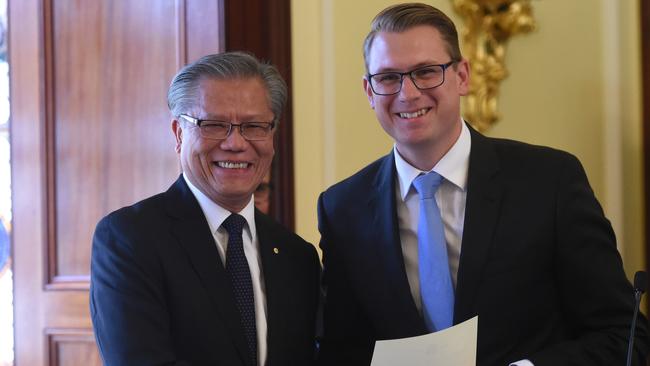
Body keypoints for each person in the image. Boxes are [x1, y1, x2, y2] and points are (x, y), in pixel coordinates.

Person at [316, 3, 649, 366]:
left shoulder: (549, 182)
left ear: (462, 76)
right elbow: (342, 351)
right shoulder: (342, 208)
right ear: (368, 90)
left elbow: (624, 336)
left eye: (427, 72)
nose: (408, 93)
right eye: (388, 77)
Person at [90, 52, 320, 366]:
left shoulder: (297, 256)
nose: (236, 143)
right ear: (178, 133)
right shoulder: (131, 240)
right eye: (213, 125)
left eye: (253, 126)